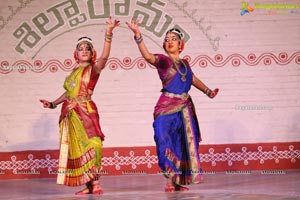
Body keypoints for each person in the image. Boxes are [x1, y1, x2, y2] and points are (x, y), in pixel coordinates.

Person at [126, 18, 219, 192]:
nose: (169, 42)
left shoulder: (185, 64)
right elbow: (147, 56)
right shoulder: (163, 60)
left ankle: (176, 182)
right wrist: (138, 34)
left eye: (173, 39)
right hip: (166, 107)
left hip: (184, 108)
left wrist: (208, 91)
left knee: (180, 144)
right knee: (163, 139)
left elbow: (193, 79)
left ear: (180, 44)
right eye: (167, 39)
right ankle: (169, 178)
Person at [40, 17, 120, 195]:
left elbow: (106, 56)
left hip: (86, 110)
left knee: (94, 145)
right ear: (75, 54)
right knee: (78, 147)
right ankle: (89, 184)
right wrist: (53, 103)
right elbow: (69, 93)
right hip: (70, 113)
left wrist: (109, 33)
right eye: (80, 48)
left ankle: (96, 182)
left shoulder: (94, 68)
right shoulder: (72, 73)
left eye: (87, 48)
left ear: (93, 53)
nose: (84, 50)